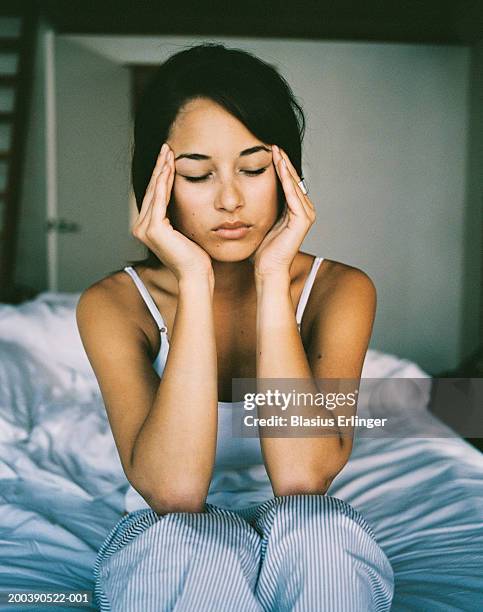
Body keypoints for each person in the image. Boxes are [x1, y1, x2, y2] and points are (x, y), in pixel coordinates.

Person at [76, 42, 394, 612]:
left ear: (288, 174)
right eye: (197, 175)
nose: (230, 200)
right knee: (182, 545)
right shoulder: (113, 304)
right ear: (160, 182)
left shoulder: (339, 290)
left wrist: (273, 281)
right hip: (166, 533)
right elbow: (174, 494)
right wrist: (194, 284)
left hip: (302, 523)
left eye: (254, 169)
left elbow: (303, 481)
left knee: (321, 532)